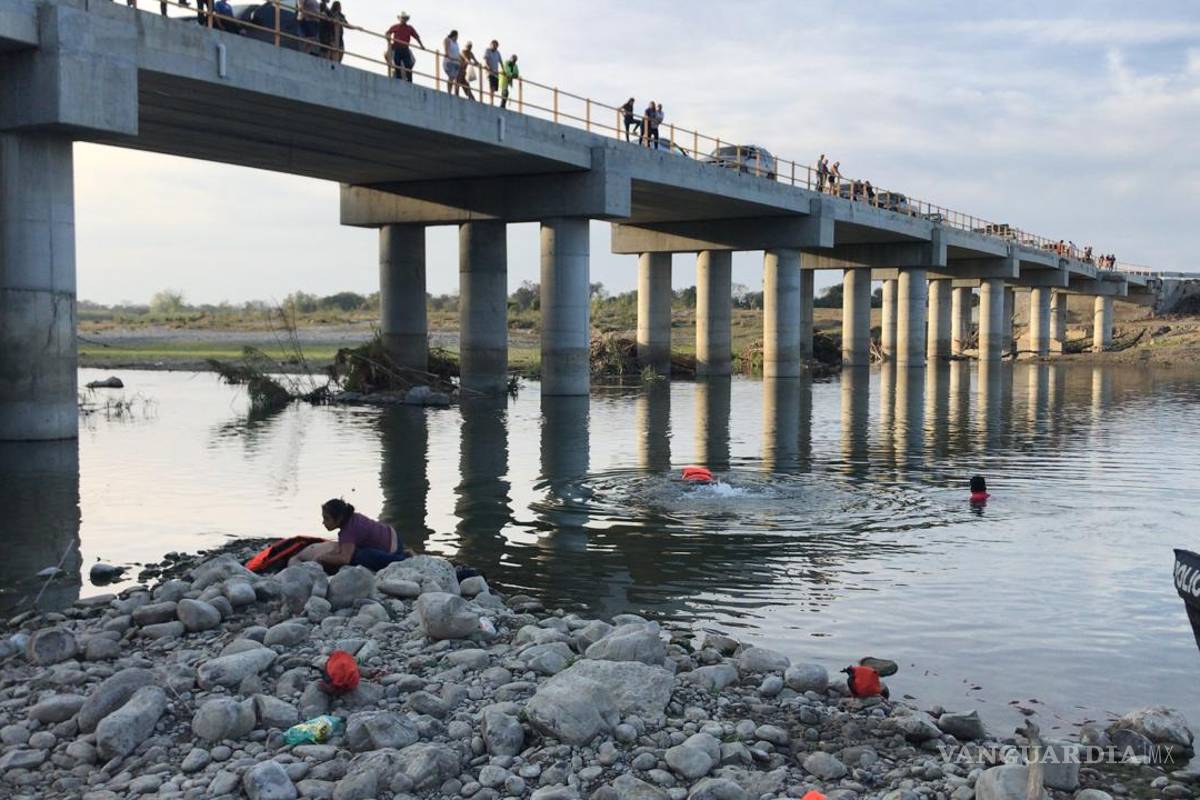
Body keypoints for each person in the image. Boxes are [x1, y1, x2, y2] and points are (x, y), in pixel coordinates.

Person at [289, 499, 411, 571]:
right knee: (356, 551)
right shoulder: (354, 518)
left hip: (392, 551)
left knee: (359, 556)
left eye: (327, 519)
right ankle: (404, 553)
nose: (323, 522)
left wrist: (321, 558)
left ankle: (403, 560)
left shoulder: (348, 531)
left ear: (339, 518)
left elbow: (344, 559)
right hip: (395, 537)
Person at [386, 12, 422, 81]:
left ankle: (409, 79)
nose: (403, 20)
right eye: (402, 18)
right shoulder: (395, 26)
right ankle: (398, 77)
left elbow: (416, 36)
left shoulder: (409, 28)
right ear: (399, 19)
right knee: (397, 63)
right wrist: (388, 40)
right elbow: (387, 33)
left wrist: (421, 45)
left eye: (405, 18)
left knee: (408, 65)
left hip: (405, 48)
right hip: (397, 48)